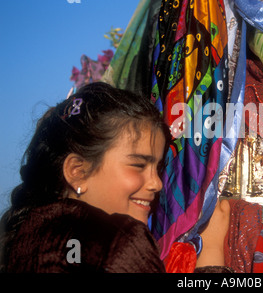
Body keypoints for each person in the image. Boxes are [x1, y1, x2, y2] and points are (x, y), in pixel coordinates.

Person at [0, 82, 171, 273]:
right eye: (138, 165)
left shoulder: (20, 243)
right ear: (78, 172)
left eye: (158, 168)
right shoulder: (116, 244)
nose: (157, 183)